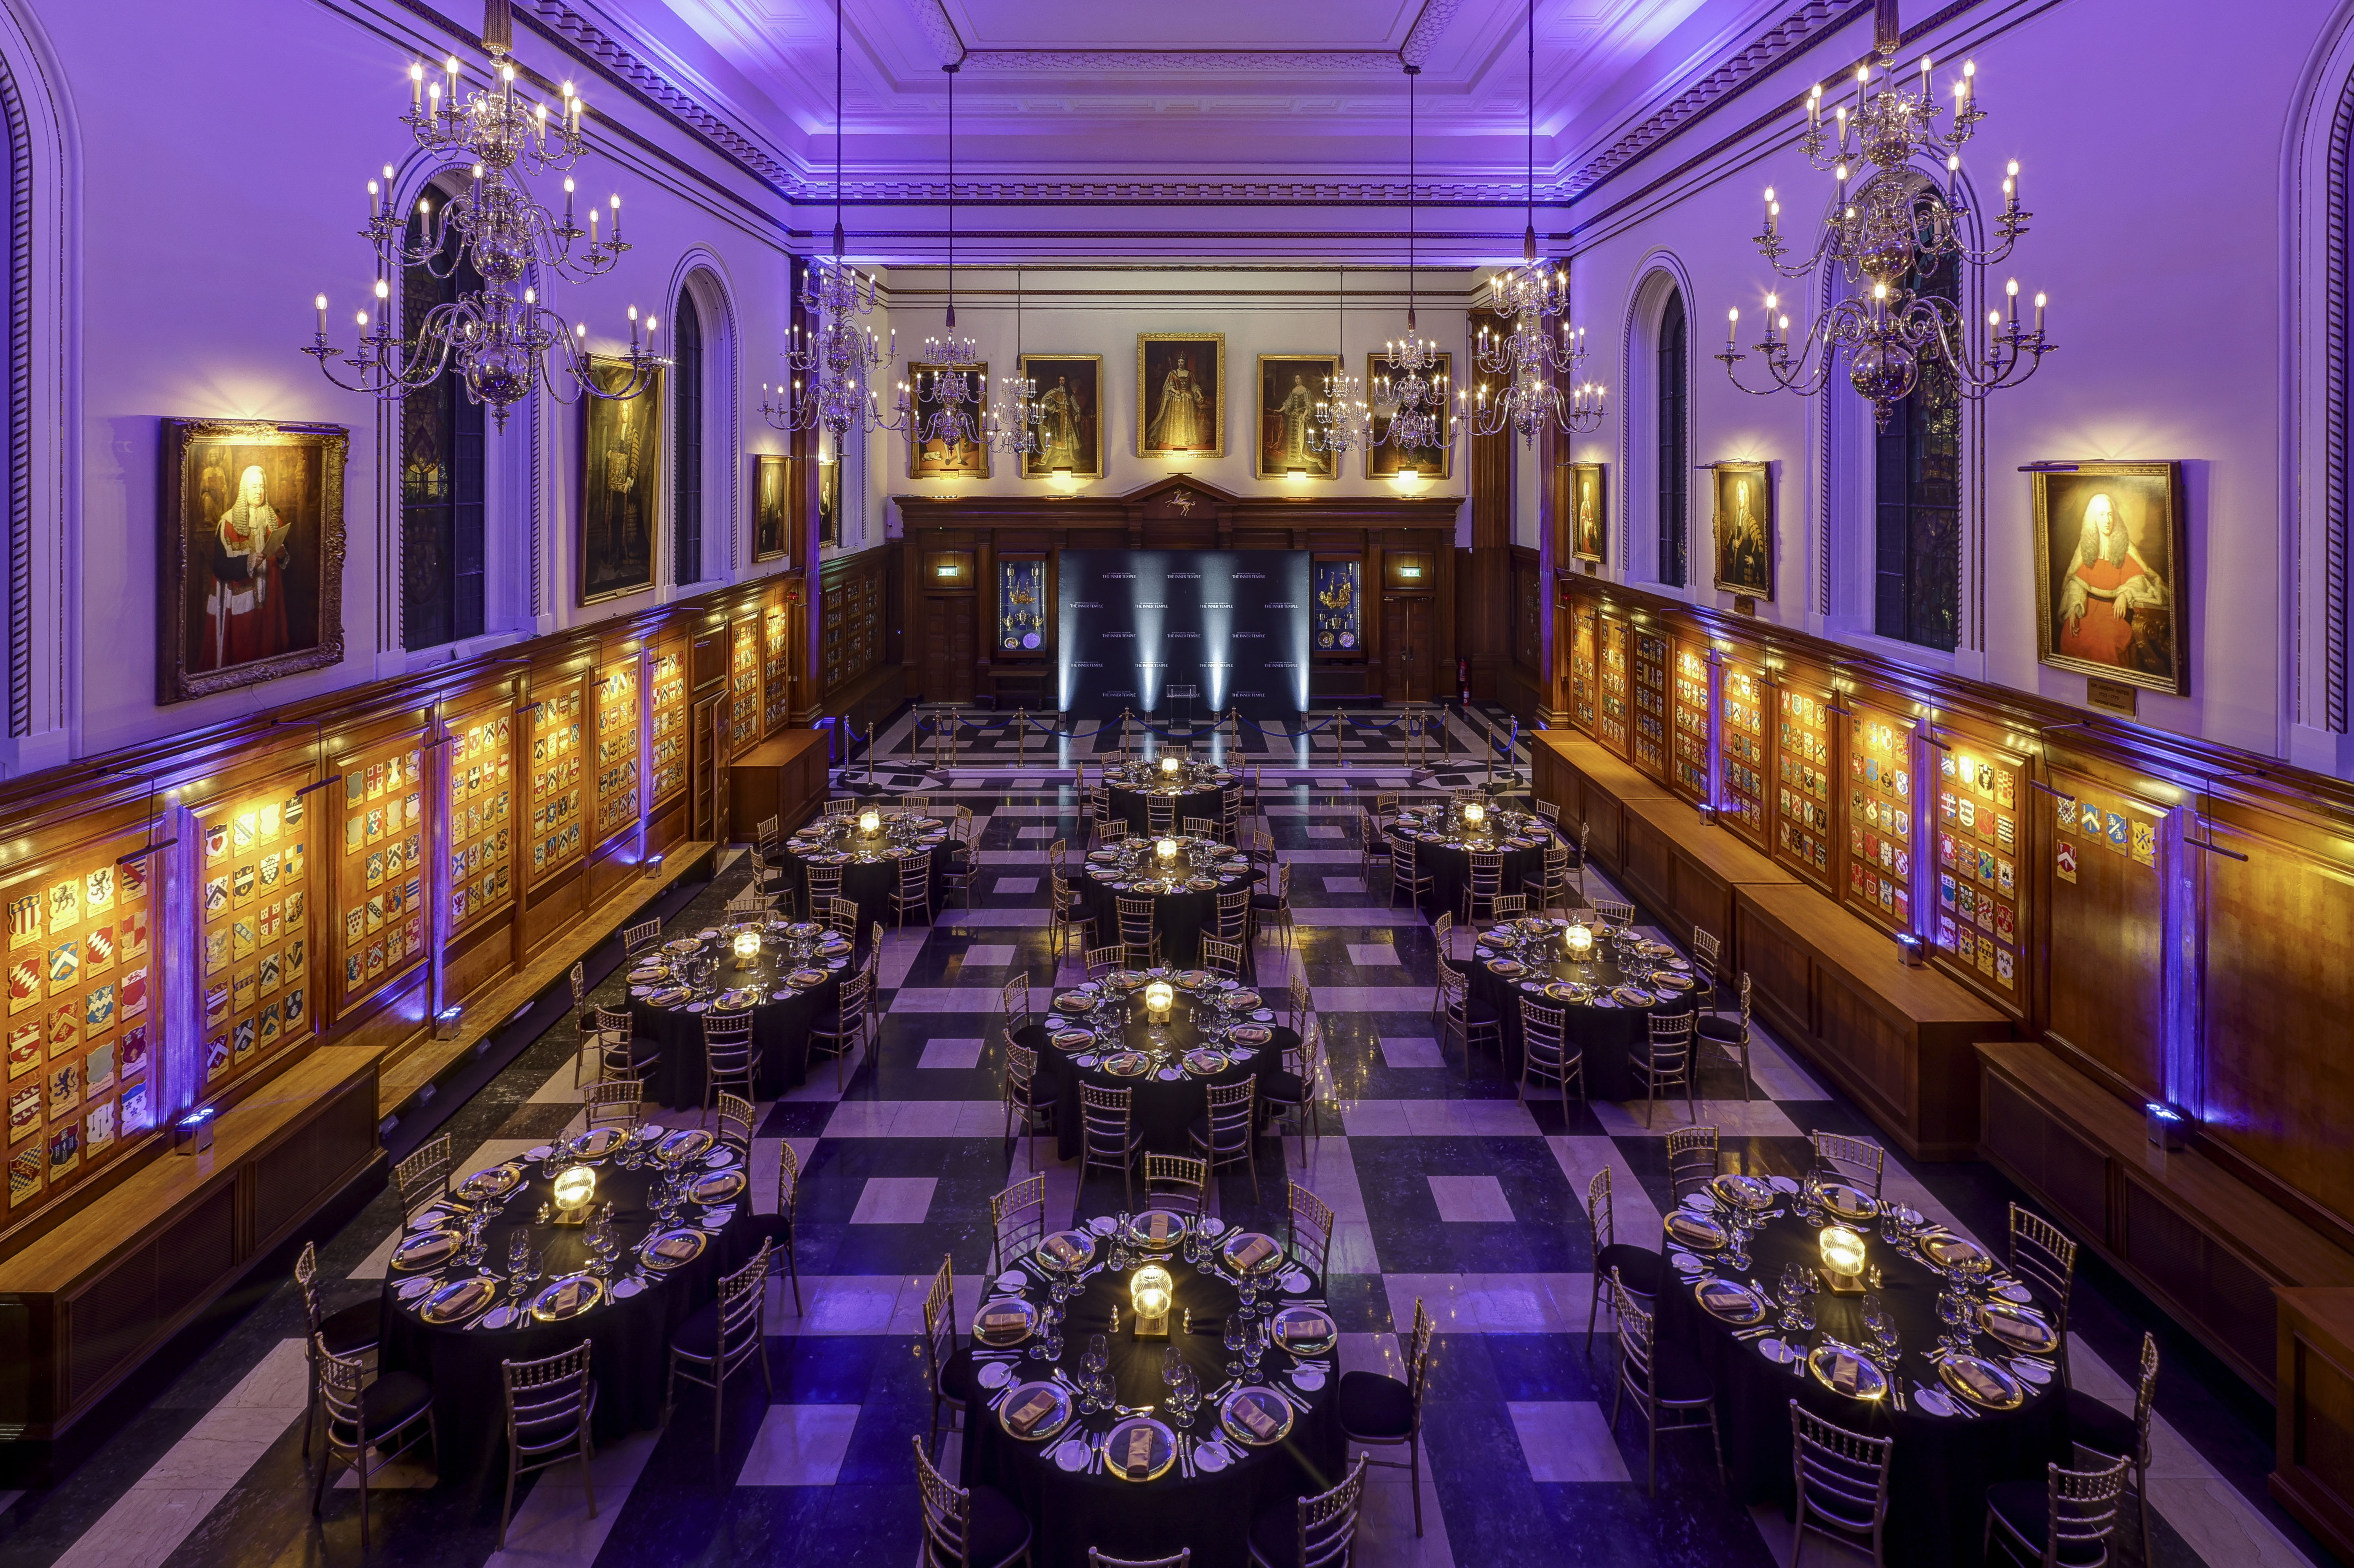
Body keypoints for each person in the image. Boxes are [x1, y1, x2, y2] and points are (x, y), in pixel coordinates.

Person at [2057, 492, 2168, 670]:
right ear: (2093, 519)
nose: (2107, 520)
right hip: (2088, 609)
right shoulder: (2085, 547)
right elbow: (2076, 582)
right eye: (2101, 515)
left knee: (2108, 644)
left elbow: (2138, 577)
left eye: (2110, 514)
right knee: (2070, 637)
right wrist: (2073, 609)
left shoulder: (2124, 546)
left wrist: (2125, 594)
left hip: (2114, 612)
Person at [204, 464, 292, 670]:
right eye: (254, 487)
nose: (259, 492)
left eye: (262, 487)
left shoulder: (274, 519)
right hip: (242, 599)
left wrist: (282, 554)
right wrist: (247, 562)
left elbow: (284, 552)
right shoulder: (228, 522)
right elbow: (219, 567)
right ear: (245, 489)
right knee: (244, 652)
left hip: (271, 598)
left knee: (270, 647)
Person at [1148, 351, 1206, 451]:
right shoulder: (1173, 374)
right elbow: (1169, 386)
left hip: (1188, 400)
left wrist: (1200, 394)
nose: (1180, 364)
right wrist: (1175, 391)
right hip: (1176, 400)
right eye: (1179, 362)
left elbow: (1194, 386)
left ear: (1185, 362)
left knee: (1187, 420)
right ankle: (1176, 439)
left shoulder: (1190, 374)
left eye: (1182, 362)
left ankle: (1187, 439)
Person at [1038, 374, 1085, 471]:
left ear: (1066, 381)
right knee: (1058, 438)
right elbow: (1045, 400)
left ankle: (1071, 457)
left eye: (1063, 380)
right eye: (1060, 380)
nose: (1062, 382)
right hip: (1058, 419)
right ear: (1058, 381)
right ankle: (1060, 457)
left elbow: (1072, 406)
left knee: (1070, 437)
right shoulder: (1055, 392)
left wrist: (1076, 414)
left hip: (1068, 418)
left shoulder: (1069, 393)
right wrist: (1054, 409)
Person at [1275, 371, 1315, 471]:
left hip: (1300, 417)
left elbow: (1308, 406)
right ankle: (1292, 457)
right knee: (1293, 436)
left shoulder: (1306, 391)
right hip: (1293, 418)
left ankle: (1300, 457)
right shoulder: (1293, 391)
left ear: (1302, 380)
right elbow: (1288, 404)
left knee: (1300, 437)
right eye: (1296, 379)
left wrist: (1304, 416)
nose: (1297, 380)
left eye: (1299, 379)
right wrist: (1280, 410)